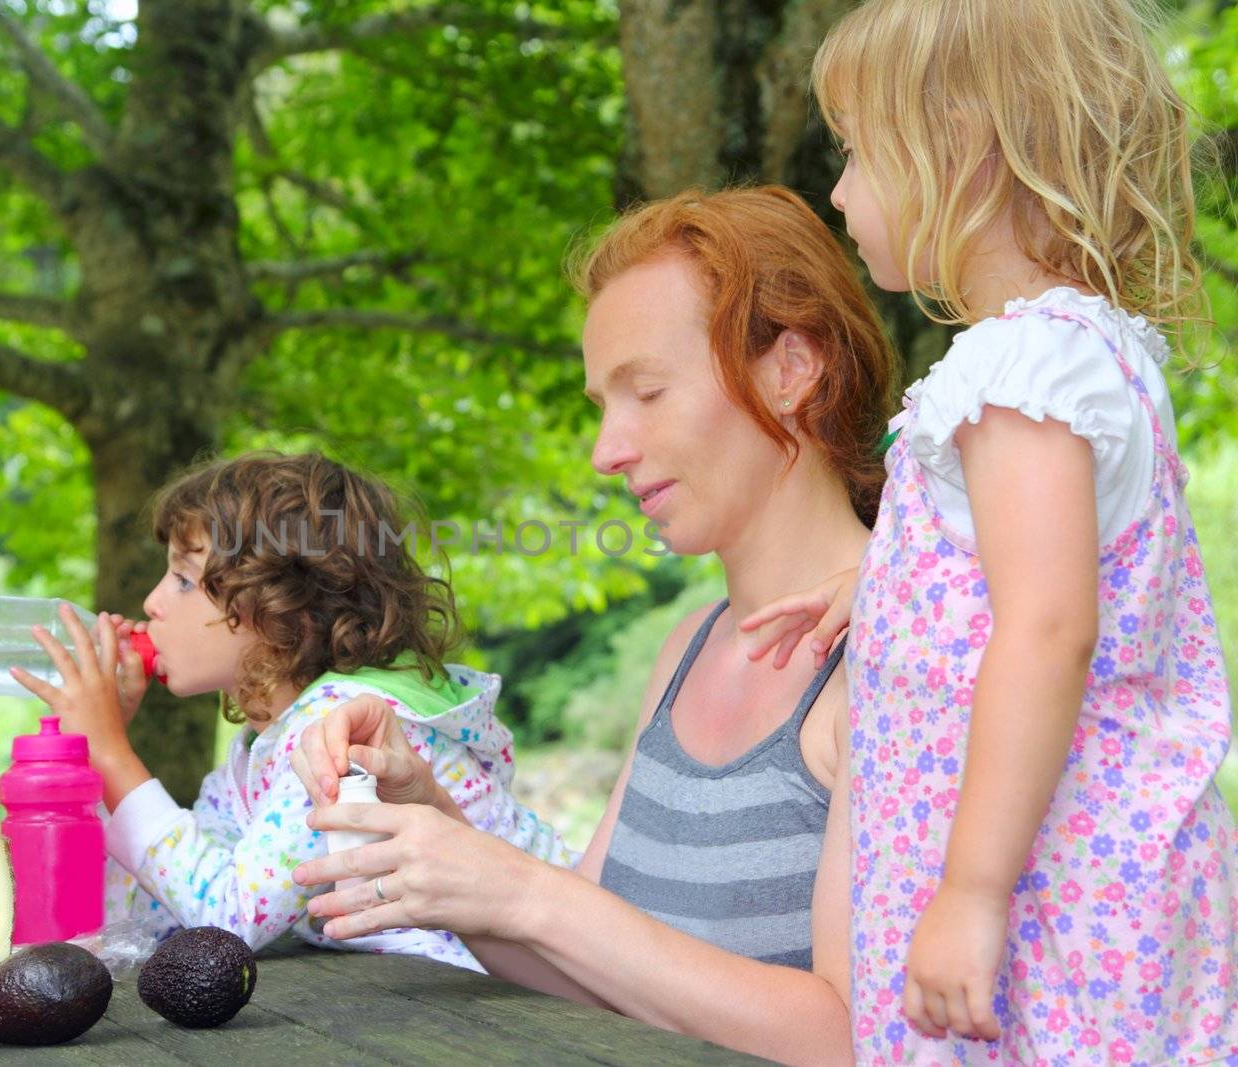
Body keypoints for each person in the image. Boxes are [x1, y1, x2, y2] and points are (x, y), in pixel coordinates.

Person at [291, 185, 898, 1065]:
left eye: (646, 391)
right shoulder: (686, 649)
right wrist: (429, 821)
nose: (607, 450)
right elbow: (596, 971)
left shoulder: (893, 651)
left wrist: (526, 891)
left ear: (790, 371)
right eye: (601, 405)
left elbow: (850, 1035)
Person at [798, 0, 1238, 1060]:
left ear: (960, 148)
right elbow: (1039, 566)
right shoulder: (1093, 353)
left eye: (857, 153)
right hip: (1090, 891)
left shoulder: (1019, 372)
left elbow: (1047, 627)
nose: (838, 191)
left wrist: (970, 891)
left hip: (1044, 905)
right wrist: (894, 576)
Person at [12, 450, 572, 967]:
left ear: (284, 610)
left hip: (542, 996)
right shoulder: (254, 759)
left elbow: (228, 924)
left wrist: (114, 757)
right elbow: (151, 923)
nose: (152, 602)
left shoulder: (353, 732)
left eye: (183, 579)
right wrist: (94, 775)